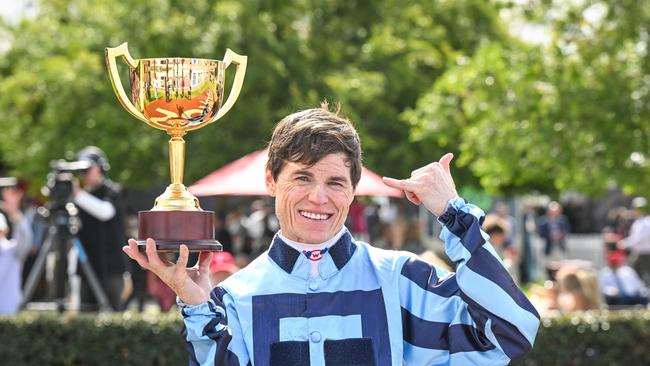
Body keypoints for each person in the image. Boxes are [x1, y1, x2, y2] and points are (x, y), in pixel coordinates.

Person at [124, 104, 540, 365]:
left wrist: (454, 217)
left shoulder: (402, 280)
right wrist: (196, 303)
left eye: (336, 182)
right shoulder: (232, 298)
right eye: (302, 177)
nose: (318, 197)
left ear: (353, 189)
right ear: (271, 180)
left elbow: (513, 331)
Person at [73, 146, 130, 311]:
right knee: (86, 314)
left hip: (111, 268)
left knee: (114, 313)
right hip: (87, 267)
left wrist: (77, 194)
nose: (84, 174)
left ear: (100, 167)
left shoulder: (113, 191)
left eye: (87, 168)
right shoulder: (82, 196)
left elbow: (105, 212)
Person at [0, 187, 34, 314]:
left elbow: (25, 239)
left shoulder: (13, 252)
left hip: (9, 319)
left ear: (4, 231)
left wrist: (15, 213)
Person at [620, 197, 650, 286]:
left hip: (644, 253)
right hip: (640, 253)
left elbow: (637, 239)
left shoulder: (645, 222)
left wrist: (624, 243)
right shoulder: (640, 222)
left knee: (635, 272)